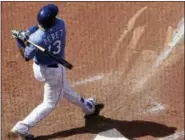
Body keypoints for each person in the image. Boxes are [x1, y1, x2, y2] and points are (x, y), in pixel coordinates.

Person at [9, 4, 96, 140]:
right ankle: (22, 128)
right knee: (49, 104)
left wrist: (19, 40)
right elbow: (40, 29)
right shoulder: (61, 24)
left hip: (39, 70)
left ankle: (88, 107)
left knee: (63, 89)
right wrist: (28, 34)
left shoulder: (36, 39)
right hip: (54, 71)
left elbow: (26, 56)